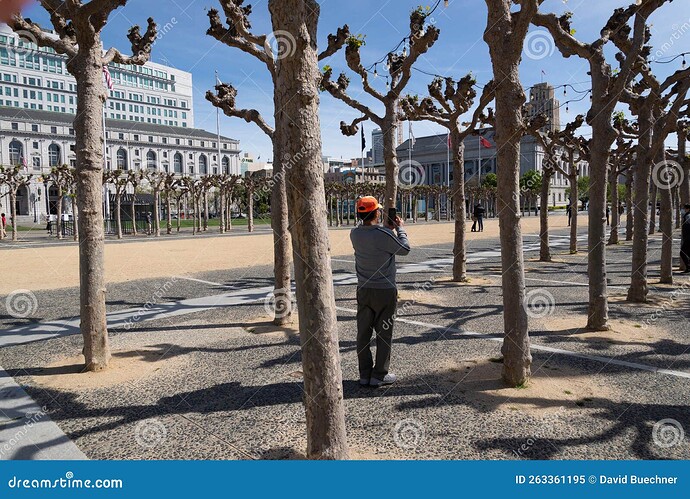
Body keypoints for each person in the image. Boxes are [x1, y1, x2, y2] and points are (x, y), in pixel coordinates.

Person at [350, 196, 410, 387]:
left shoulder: (355, 234)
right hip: (384, 290)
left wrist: (387, 232)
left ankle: (364, 374)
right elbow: (404, 249)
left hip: (364, 288)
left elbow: (375, 240)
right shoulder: (384, 234)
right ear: (376, 213)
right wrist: (400, 228)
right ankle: (379, 375)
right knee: (384, 333)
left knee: (363, 334)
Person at [681, 204, 690, 274]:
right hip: (687, 238)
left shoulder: (688, 216)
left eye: (684, 209)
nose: (683, 210)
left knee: (682, 253)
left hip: (688, 238)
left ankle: (688, 267)